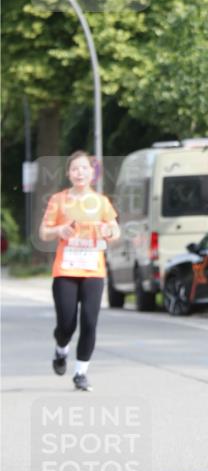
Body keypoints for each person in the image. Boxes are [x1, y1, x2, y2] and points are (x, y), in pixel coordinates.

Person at [39, 151, 120, 391]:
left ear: (92, 173)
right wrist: (59, 230)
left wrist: (109, 231)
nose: (80, 173)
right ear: (68, 174)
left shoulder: (101, 201)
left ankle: (81, 373)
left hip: (93, 271)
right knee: (66, 324)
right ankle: (61, 350)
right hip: (66, 270)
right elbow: (44, 232)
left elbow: (116, 231)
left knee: (89, 322)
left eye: (84, 168)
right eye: (75, 169)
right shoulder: (59, 200)